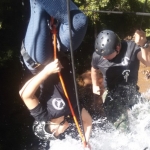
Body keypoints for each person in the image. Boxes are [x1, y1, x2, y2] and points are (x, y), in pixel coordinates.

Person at [20, 0, 92, 149]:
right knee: (79, 22)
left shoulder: (44, 116)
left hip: (37, 59)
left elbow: (25, 94)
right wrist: (86, 142)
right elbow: (87, 122)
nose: (61, 134)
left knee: (39, 9)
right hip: (58, 50)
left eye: (57, 134)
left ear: (52, 130)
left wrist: (47, 71)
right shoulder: (72, 111)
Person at [91, 29, 150, 131]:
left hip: (131, 91)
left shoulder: (131, 48)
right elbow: (94, 69)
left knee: (147, 120)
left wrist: (143, 44)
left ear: (117, 48)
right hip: (111, 93)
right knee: (123, 129)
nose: (104, 57)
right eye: (102, 55)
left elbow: (148, 62)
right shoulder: (98, 55)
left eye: (107, 54)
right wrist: (94, 84)